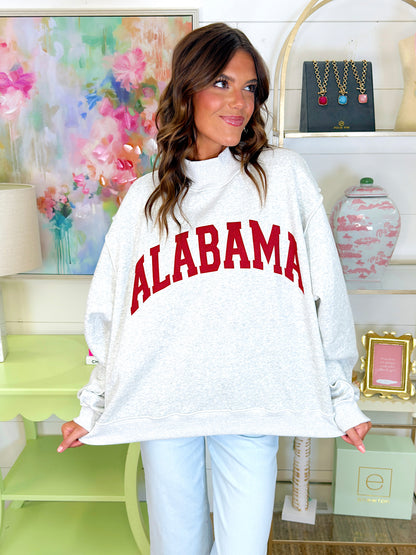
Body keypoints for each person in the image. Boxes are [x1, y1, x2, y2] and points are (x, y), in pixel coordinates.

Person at [58, 23, 371, 555]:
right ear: (188, 89)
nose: (239, 102)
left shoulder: (283, 178)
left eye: (249, 88)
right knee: (176, 546)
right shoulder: (145, 201)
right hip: (165, 401)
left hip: (254, 398)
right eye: (222, 83)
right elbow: (114, 313)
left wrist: (342, 399)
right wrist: (93, 405)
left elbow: (326, 294)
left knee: (243, 547)